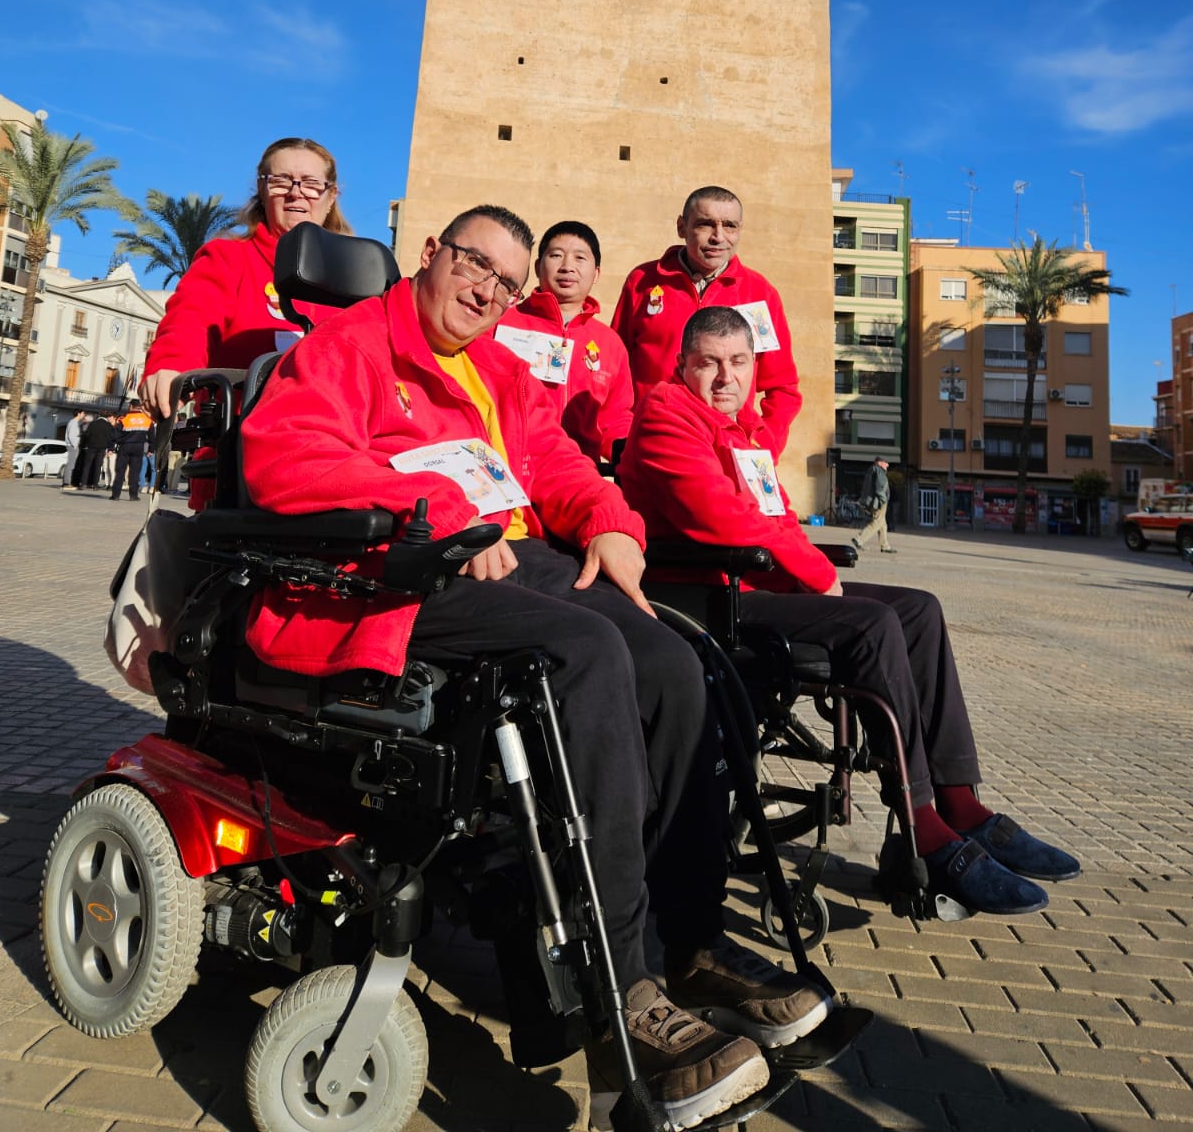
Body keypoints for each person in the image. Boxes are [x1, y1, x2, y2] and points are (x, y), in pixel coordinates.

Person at [241, 205, 832, 1130]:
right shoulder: (350, 346)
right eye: (475, 264)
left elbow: (559, 464)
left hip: (519, 557)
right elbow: (284, 459)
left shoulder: (501, 371)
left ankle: (692, 940)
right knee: (587, 654)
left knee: (676, 661)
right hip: (406, 569)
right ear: (432, 254)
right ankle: (622, 996)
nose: (487, 291)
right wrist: (432, 508)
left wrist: (608, 523)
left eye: (506, 284)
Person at [618, 306, 1081, 920]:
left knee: (918, 610)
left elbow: (776, 520)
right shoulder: (665, 416)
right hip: (705, 601)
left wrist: (810, 568)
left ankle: (960, 802)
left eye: (738, 363)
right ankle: (923, 827)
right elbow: (718, 517)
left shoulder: (747, 432)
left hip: (755, 587)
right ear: (684, 365)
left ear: (755, 368)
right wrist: (818, 576)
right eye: (708, 363)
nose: (725, 377)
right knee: (870, 622)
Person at [139, 136, 352, 422]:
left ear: (331, 197)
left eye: (311, 184)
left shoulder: (355, 278)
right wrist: (171, 365)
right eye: (281, 181)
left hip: (338, 445)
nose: (295, 193)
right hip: (237, 447)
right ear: (262, 190)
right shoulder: (228, 259)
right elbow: (191, 321)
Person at [612, 187, 801, 458]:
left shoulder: (760, 295)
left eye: (730, 226)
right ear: (682, 227)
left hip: (725, 453)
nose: (718, 237)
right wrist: (623, 437)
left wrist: (762, 447)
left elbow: (783, 388)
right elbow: (615, 370)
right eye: (705, 224)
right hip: (650, 447)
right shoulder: (642, 282)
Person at [494, 220, 633, 465]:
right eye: (556, 255)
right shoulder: (500, 322)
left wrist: (629, 454)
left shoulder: (610, 343)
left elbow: (616, 418)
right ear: (537, 267)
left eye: (580, 258)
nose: (567, 267)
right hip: (509, 465)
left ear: (597, 273)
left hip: (579, 473)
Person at [110, 399, 153, 502]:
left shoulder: (123, 418)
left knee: (120, 471)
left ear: (131, 406)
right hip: (139, 447)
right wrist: (151, 449)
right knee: (135, 472)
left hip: (125, 446)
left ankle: (116, 495)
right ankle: (133, 495)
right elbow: (152, 436)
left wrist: (116, 444)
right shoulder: (147, 419)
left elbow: (115, 436)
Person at [852, 456, 894, 554]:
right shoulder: (879, 471)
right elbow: (880, 488)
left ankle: (885, 546)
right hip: (879, 502)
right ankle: (859, 539)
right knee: (877, 523)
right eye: (886, 462)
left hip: (874, 501)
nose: (887, 465)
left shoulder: (872, 470)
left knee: (883, 524)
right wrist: (883, 500)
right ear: (879, 462)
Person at [77, 413, 117, 491]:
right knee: (98, 466)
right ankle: (95, 485)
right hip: (102, 448)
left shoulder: (93, 423)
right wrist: (110, 449)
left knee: (87, 466)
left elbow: (87, 434)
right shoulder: (108, 425)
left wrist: (84, 445)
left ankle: (83, 484)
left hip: (91, 447)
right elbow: (111, 438)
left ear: (99, 416)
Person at [61, 410, 88, 492]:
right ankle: (66, 483)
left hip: (73, 446)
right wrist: (75, 445)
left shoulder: (75, 422)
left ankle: (67, 482)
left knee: (71, 464)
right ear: (79, 413)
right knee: (70, 464)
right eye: (83, 413)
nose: (84, 415)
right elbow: (72, 435)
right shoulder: (73, 423)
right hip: (73, 446)